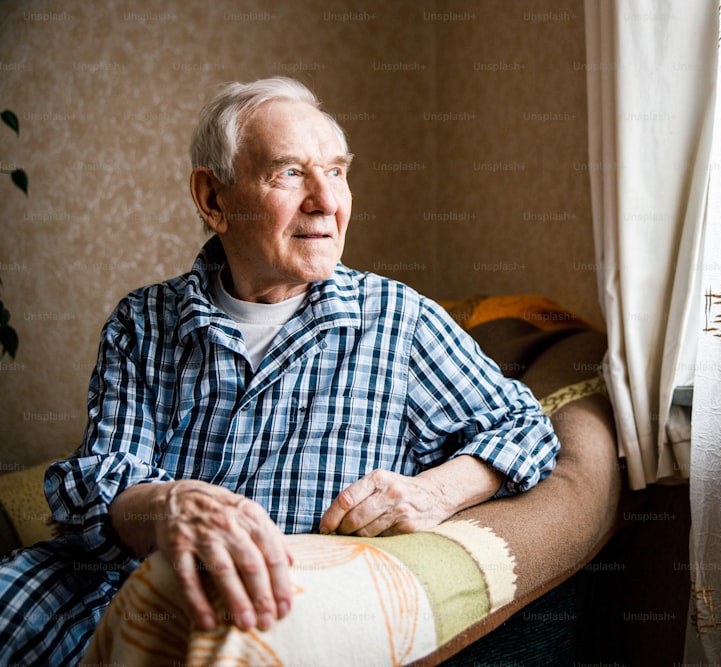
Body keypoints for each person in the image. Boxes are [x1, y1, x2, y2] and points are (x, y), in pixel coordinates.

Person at [0, 77, 560, 666]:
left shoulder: (399, 320)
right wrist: (167, 507)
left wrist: (430, 493)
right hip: (75, 594)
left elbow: (525, 427)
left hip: (227, 622)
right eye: (289, 173)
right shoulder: (144, 321)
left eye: (338, 172)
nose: (326, 201)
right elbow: (98, 481)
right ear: (213, 200)